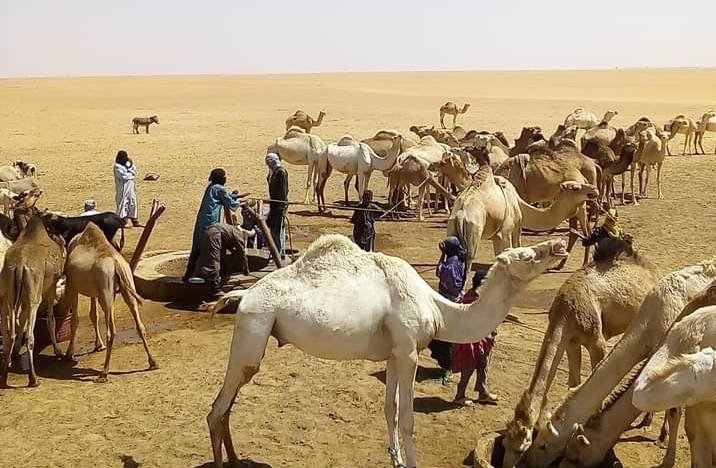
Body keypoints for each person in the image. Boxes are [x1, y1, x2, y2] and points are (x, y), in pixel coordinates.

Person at [183, 168, 241, 282]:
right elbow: (231, 204)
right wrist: (243, 202)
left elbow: (223, 196)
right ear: (221, 178)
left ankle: (188, 273)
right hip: (211, 222)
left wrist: (234, 196)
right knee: (215, 247)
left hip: (201, 221)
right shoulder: (220, 189)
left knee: (197, 246)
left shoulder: (211, 187)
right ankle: (219, 276)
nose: (225, 178)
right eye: (224, 176)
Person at [451, 269, 499, 405]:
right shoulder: (473, 299)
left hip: (480, 339)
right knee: (468, 367)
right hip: (470, 341)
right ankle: (459, 395)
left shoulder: (480, 298)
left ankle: (483, 392)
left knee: (483, 364)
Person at [428, 235, 467, 384]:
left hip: (448, 304)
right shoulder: (459, 259)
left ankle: (448, 369)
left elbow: (441, 274)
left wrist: (442, 255)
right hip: (455, 301)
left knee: (446, 338)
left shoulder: (451, 264)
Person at [192, 223, 252, 293]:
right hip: (215, 234)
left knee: (211, 257)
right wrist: (246, 270)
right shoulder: (238, 234)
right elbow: (242, 253)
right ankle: (215, 288)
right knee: (214, 260)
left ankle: (204, 276)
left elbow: (230, 250)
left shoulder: (230, 230)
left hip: (207, 232)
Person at [265, 153, 288, 259]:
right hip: (274, 205)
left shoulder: (281, 172)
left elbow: (283, 191)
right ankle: (276, 251)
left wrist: (281, 206)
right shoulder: (275, 172)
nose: (268, 165)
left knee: (278, 230)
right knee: (274, 229)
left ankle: (279, 253)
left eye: (268, 163)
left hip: (279, 206)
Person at [113, 150, 140, 227]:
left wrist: (131, 166)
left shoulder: (127, 164)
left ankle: (134, 220)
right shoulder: (117, 166)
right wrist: (131, 175)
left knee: (132, 201)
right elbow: (124, 176)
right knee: (123, 202)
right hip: (122, 188)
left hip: (130, 187)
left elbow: (134, 171)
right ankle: (123, 221)